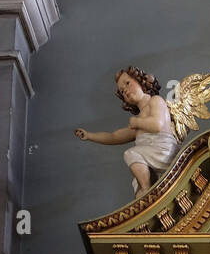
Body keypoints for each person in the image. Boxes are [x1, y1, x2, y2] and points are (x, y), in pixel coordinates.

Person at [75, 66, 180, 196]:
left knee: (131, 153)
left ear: (141, 81)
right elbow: (114, 137)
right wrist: (90, 136)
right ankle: (146, 192)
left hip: (164, 152)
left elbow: (157, 125)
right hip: (150, 156)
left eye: (128, 83)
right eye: (122, 91)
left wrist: (137, 123)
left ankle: (147, 191)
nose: (126, 90)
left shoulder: (156, 101)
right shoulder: (138, 122)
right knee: (134, 162)